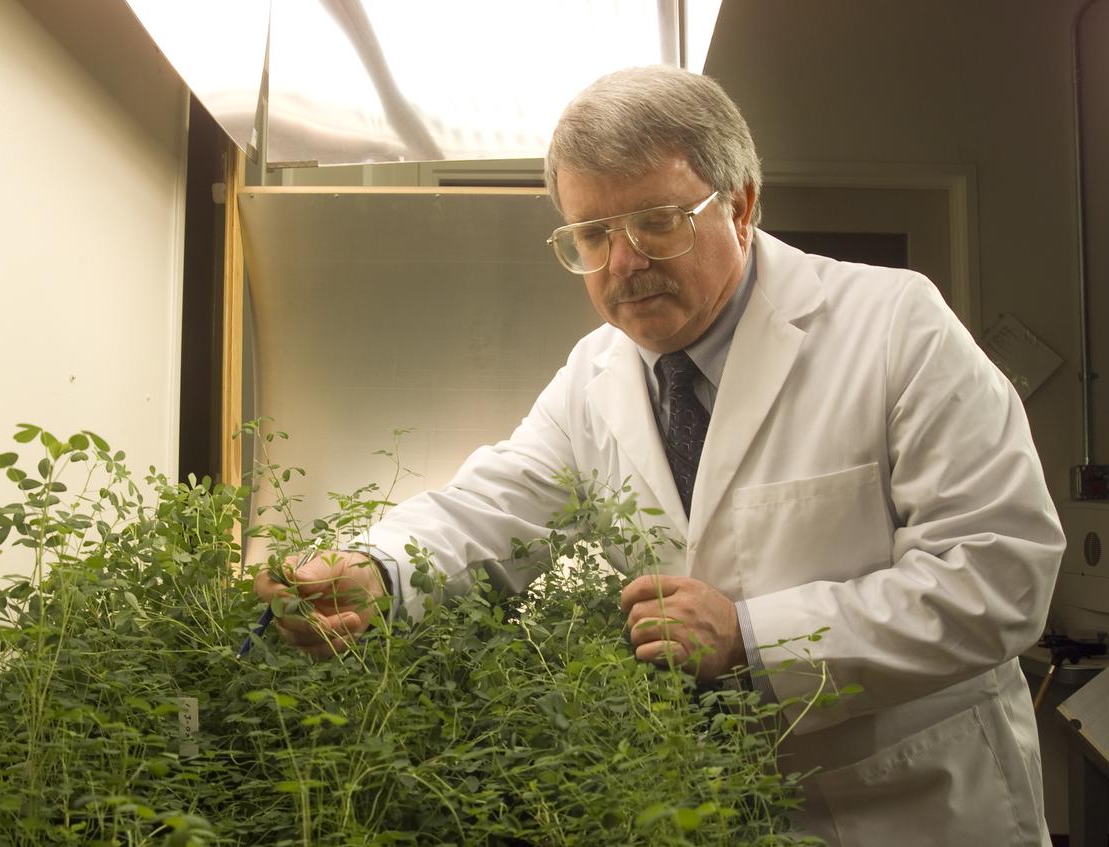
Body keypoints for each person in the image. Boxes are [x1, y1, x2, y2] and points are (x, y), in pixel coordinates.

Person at [254, 65, 1065, 845]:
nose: (624, 263)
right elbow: (488, 507)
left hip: (913, 803)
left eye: (656, 222)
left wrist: (753, 636)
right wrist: (378, 567)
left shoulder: (894, 327)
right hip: (710, 807)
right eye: (593, 234)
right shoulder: (594, 376)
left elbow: (1000, 570)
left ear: (740, 207)